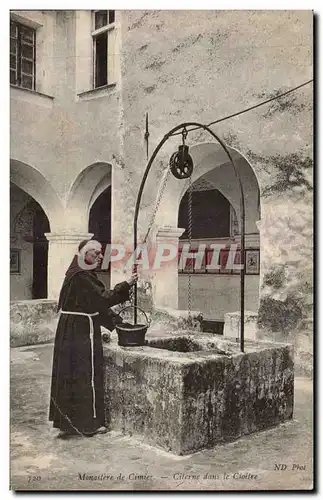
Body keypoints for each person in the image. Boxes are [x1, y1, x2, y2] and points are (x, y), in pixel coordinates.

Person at [49, 239, 137, 438]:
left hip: (73, 327)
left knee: (72, 373)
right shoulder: (81, 274)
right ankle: (87, 425)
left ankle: (70, 422)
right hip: (80, 329)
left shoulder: (79, 271)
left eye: (100, 253)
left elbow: (93, 304)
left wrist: (118, 323)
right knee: (85, 375)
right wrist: (126, 284)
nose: (98, 257)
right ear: (82, 253)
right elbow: (102, 299)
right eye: (94, 253)